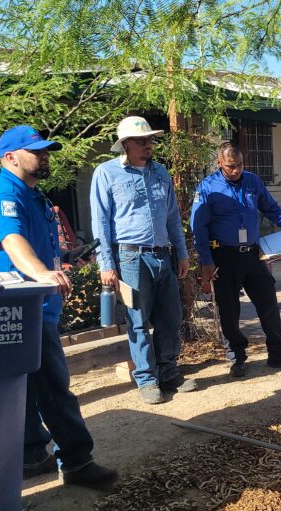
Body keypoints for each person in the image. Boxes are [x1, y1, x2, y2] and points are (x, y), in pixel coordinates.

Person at [0, 125, 117, 489]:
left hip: (37, 307)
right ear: (10, 158)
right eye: (36, 151)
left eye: (46, 151)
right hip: (20, 310)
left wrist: (65, 259)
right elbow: (12, 241)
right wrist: (42, 274)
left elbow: (39, 247)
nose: (45, 156)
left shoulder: (35, 196)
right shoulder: (3, 193)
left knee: (24, 388)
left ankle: (31, 455)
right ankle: (77, 462)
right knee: (54, 387)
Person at [90, 116, 196, 405]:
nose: (149, 144)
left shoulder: (161, 172)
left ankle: (168, 372)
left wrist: (182, 252)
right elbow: (100, 222)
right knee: (138, 321)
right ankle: (147, 379)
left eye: (150, 139)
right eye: (142, 140)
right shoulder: (106, 173)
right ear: (125, 144)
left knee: (171, 318)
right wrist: (106, 264)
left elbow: (173, 217)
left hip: (162, 255)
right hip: (130, 257)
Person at [191, 142, 281, 377]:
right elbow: (198, 228)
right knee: (229, 311)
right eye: (231, 166)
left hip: (253, 254)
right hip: (224, 256)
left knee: (268, 304)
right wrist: (206, 261)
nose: (236, 170)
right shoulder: (208, 188)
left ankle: (279, 355)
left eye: (240, 165)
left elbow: (270, 207)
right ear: (219, 163)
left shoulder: (252, 181)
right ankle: (237, 357)